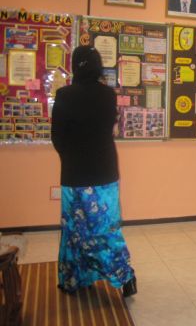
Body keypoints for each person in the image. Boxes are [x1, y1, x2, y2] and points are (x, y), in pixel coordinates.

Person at [51, 46, 137, 297]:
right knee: (107, 228)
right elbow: (107, 128)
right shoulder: (108, 95)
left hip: (74, 172)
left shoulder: (64, 95)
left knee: (75, 230)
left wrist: (71, 156)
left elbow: (57, 137)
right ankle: (125, 278)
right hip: (104, 171)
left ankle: (75, 279)